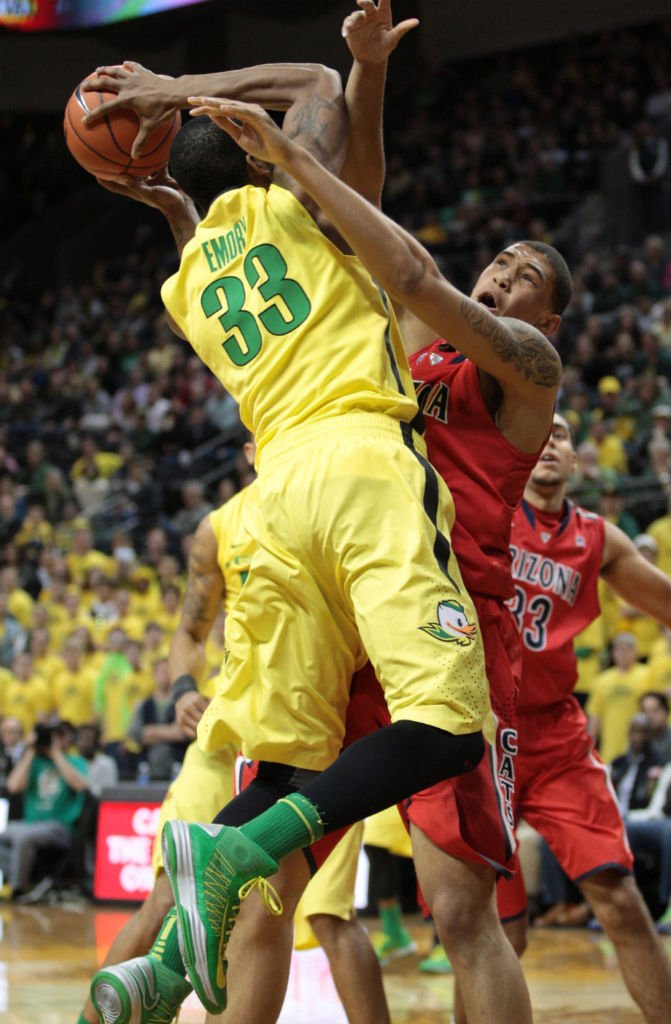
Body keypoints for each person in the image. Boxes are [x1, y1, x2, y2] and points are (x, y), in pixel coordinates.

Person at [87, 30, 502, 1024]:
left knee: (288, 772)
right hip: (359, 459)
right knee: (443, 726)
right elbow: (318, 84)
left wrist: (171, 192)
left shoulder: (185, 284)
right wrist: (173, 89)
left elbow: (203, 233)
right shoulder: (294, 200)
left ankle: (167, 958)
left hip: (271, 502)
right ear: (250, 145)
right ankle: (232, 850)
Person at [85, 479, 390, 1024]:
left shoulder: (341, 493)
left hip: (319, 740)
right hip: (229, 743)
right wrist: (182, 690)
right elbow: (188, 633)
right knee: (169, 903)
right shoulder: (221, 528)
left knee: (326, 917)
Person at [495, 413, 671, 1024]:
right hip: (479, 735)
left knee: (619, 897)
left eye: (563, 433)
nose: (548, 439)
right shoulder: (479, 507)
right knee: (497, 937)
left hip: (556, 737)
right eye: (537, 427)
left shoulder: (599, 536)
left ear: (576, 461)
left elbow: (666, 603)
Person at [0, 717, 88, 901]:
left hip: (60, 826)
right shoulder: (34, 761)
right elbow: (13, 786)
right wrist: (31, 751)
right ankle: (23, 881)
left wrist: (56, 753)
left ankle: (18, 887)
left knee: (24, 836)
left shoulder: (74, 760)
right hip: (30, 823)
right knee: (15, 834)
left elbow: (80, 786)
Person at [640, 690, 671, 763]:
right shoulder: (640, 740)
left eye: (655, 710)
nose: (650, 716)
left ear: (666, 711)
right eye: (645, 711)